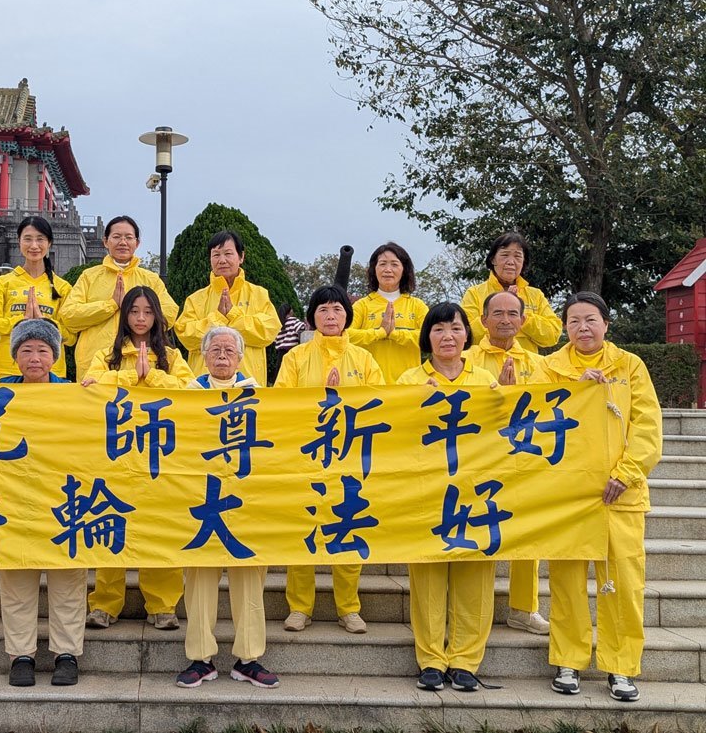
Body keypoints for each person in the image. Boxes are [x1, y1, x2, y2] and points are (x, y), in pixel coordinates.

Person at [543, 292, 662, 703]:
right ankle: (568, 661)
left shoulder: (629, 366)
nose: (583, 328)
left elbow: (647, 428)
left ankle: (621, 667)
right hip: (568, 494)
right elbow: (532, 417)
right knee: (567, 582)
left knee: (624, 583)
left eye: (590, 320)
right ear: (564, 327)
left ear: (606, 324)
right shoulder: (549, 368)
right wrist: (575, 391)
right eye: (574, 321)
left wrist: (626, 474)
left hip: (619, 494)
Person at [396, 302, 498, 692]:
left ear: (467, 334)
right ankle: (431, 660)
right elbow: (392, 430)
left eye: (455, 328)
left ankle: (466, 661)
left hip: (475, 493)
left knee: (475, 577)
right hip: (427, 492)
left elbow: (502, 427)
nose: (447, 337)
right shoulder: (409, 379)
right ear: (427, 337)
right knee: (427, 578)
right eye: (438, 329)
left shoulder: (485, 379)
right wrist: (413, 401)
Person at [274, 285, 383, 635]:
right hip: (307, 455)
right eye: (323, 310)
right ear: (312, 318)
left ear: (347, 316)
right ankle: (299, 606)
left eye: (337, 309)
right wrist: (321, 394)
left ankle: (348, 608)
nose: (331, 316)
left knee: (346, 527)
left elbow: (379, 404)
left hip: (349, 456)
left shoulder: (364, 359)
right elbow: (281, 404)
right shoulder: (296, 357)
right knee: (305, 530)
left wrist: (342, 397)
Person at [81, 286, 191, 630]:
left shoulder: (171, 356)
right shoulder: (107, 355)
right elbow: (91, 384)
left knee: (159, 527)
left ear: (157, 316)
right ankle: (105, 604)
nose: (141, 318)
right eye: (133, 311)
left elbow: (190, 390)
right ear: (124, 315)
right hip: (115, 451)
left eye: (147, 311)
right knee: (110, 522)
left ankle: (162, 604)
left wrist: (152, 375)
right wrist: (133, 376)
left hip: (159, 453)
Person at [177, 326, 279, 689]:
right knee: (199, 581)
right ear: (203, 356)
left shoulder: (257, 395)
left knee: (249, 579)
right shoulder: (186, 395)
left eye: (229, 350)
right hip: (202, 498)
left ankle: (249, 658)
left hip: (244, 500)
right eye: (215, 350)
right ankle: (200, 658)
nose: (222, 356)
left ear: (240, 358)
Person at [0, 319, 85, 687]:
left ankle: (67, 653)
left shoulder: (76, 394)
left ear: (55, 357)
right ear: (15, 357)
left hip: (64, 497)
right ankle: (21, 655)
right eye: (26, 350)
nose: (34, 357)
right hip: (15, 499)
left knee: (68, 578)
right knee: (17, 577)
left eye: (43, 350)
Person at [462, 290, 550, 636]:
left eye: (513, 314)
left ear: (523, 321)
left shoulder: (539, 364)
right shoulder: (466, 358)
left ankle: (523, 608)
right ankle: (470, 609)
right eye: (497, 314)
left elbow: (551, 407)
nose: (505, 320)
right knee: (474, 528)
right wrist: (499, 397)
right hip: (477, 459)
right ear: (483, 320)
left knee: (527, 534)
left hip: (522, 460)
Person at [60, 215, 178, 379]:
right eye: (116, 237)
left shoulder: (150, 279)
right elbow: (68, 316)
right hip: (95, 365)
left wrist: (134, 313)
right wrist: (111, 305)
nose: (123, 242)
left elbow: (169, 314)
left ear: (137, 243)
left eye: (128, 237)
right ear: (105, 241)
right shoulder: (89, 276)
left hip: (139, 363)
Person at [175, 230, 279, 384]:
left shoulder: (259, 294)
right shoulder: (195, 299)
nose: (222, 260)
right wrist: (218, 318)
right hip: (205, 386)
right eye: (216, 255)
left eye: (228, 254)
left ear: (241, 257)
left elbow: (269, 331)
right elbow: (186, 336)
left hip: (247, 385)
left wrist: (233, 315)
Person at [0, 216, 75, 379]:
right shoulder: (3, 282)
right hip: (7, 371)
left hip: (51, 374)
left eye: (40, 239)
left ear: (49, 243)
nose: (34, 246)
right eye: (28, 239)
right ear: (19, 242)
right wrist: (21, 321)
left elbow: (71, 337)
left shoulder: (63, 287)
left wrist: (45, 323)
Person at [460, 232, 562, 352]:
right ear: (493, 260)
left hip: (525, 363)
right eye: (505, 255)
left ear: (523, 262)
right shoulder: (474, 293)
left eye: (518, 256)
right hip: (484, 362)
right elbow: (465, 335)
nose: (511, 262)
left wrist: (522, 316)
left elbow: (553, 335)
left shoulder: (536, 295)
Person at [348, 242, 429, 383]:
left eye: (394, 264)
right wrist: (379, 333)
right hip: (370, 385)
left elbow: (429, 337)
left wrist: (394, 334)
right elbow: (346, 335)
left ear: (404, 269)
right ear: (374, 269)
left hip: (409, 385)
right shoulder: (362, 306)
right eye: (382, 264)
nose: (388, 269)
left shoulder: (417, 306)